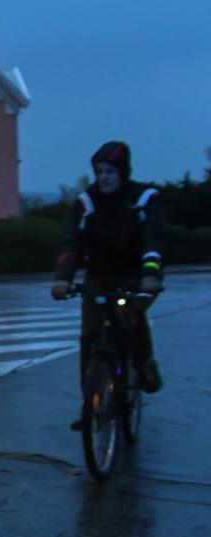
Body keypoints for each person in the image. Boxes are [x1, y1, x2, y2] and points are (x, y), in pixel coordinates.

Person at [52, 141, 163, 429]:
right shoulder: (86, 203)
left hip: (133, 274)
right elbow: (71, 244)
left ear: (123, 172)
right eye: (100, 171)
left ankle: (144, 365)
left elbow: (152, 241)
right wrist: (63, 278)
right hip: (98, 276)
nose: (104, 177)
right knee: (90, 337)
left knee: (130, 316)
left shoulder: (142, 199)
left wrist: (151, 275)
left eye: (110, 171)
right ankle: (90, 406)